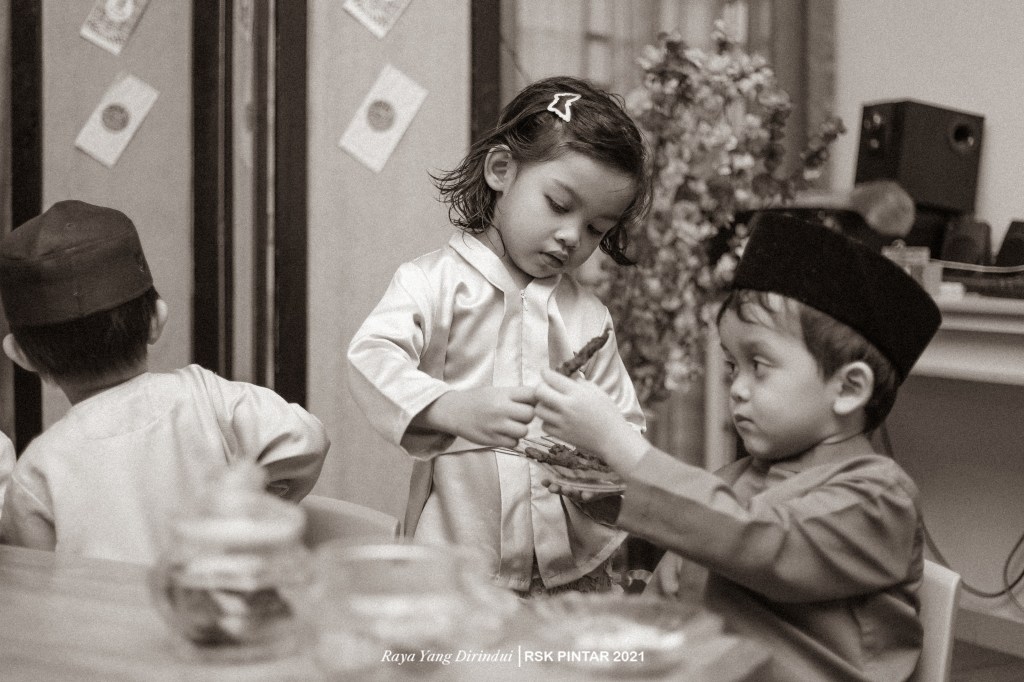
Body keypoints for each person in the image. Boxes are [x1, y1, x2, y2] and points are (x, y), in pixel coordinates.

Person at [534, 211, 942, 680]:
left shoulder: (880, 497)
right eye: (732, 367)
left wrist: (619, 443)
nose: (737, 388)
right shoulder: (734, 481)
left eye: (759, 366)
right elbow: (674, 596)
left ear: (849, 388)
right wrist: (609, 495)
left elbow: (762, 542)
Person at [347, 76, 649, 595]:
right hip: (456, 565)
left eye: (597, 229)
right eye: (559, 205)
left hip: (570, 572)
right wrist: (447, 407)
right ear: (502, 170)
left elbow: (627, 430)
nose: (572, 237)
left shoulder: (589, 317)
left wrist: (604, 467)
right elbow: (370, 357)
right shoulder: (433, 283)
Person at [0, 200, 330, 564]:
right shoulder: (209, 397)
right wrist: (246, 501)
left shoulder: (37, 470)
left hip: (101, 605)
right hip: (212, 596)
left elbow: (37, 582)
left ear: (21, 355)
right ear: (157, 319)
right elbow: (306, 438)